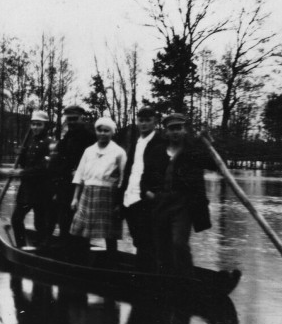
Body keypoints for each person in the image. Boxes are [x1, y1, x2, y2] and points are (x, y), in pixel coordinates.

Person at [150, 112, 216, 277]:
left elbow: (217, 163)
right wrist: (149, 192)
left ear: (184, 130)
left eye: (178, 128)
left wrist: (211, 142)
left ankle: (187, 280)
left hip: (183, 205)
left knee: (179, 243)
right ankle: (165, 280)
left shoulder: (193, 151)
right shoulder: (158, 151)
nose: (175, 132)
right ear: (166, 131)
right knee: (162, 246)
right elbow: (148, 175)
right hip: (161, 204)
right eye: (171, 128)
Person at [119, 106, 168, 272]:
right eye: (141, 120)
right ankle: (142, 272)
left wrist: (151, 191)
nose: (144, 124)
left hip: (146, 198)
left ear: (154, 121)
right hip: (130, 197)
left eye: (148, 120)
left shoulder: (160, 144)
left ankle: (147, 274)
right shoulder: (136, 142)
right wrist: (121, 194)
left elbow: (161, 172)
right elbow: (129, 171)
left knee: (147, 239)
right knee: (138, 238)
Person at [69, 117, 127, 253]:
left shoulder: (119, 152)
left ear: (112, 133)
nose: (102, 133)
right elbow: (80, 174)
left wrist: (120, 202)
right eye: (99, 130)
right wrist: (75, 198)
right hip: (88, 193)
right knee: (83, 230)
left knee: (109, 233)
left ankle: (112, 261)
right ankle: (84, 259)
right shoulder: (89, 150)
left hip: (108, 195)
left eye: (106, 131)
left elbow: (123, 179)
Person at [47, 105, 96, 248]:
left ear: (82, 118)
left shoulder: (90, 138)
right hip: (64, 185)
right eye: (69, 119)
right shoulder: (66, 137)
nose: (72, 122)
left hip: (81, 186)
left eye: (75, 119)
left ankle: (79, 254)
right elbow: (58, 162)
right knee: (64, 220)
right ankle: (65, 252)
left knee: (80, 223)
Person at [11, 110, 52, 250]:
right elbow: (26, 163)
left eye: (39, 124)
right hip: (26, 190)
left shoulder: (50, 144)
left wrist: (20, 173)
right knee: (16, 219)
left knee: (40, 223)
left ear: (45, 125)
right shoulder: (29, 142)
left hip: (41, 190)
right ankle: (21, 247)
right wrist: (20, 154)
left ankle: (42, 250)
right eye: (33, 124)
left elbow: (43, 169)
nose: (35, 127)